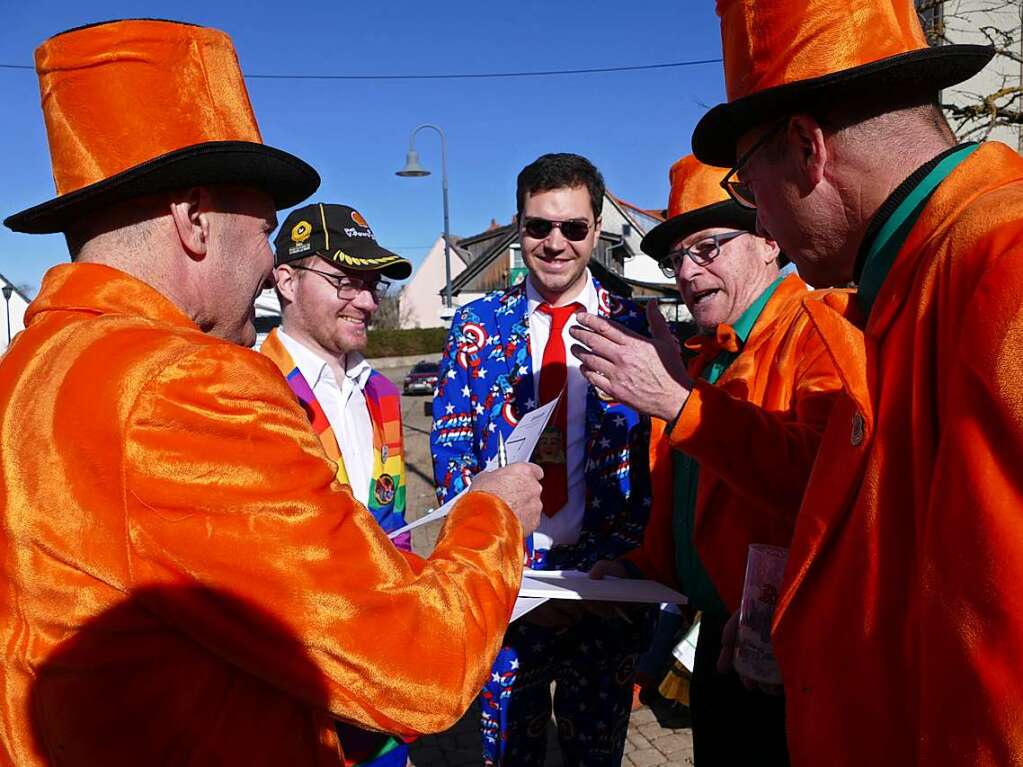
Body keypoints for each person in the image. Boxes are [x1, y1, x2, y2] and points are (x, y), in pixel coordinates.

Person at [0, 19, 543, 766]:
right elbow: (418, 665)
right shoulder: (186, 384)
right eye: (262, 229)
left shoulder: (26, 367)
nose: (266, 258)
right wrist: (493, 517)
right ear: (193, 220)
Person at [689, 1, 1021, 765]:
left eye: (748, 185)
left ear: (806, 149)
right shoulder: (909, 283)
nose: (763, 224)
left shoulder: (1001, 266)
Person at [582, 155, 850, 765]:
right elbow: (686, 503)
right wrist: (639, 571)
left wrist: (679, 405)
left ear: (768, 240)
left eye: (707, 248)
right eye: (675, 259)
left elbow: (825, 486)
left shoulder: (821, 331)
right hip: (712, 642)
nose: (687, 271)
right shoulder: (702, 358)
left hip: (790, 656)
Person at [431, 153, 653, 767]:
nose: (555, 243)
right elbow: (450, 449)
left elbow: (661, 458)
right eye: (538, 227)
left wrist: (633, 557)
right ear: (518, 225)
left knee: (594, 755)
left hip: (605, 585)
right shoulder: (477, 323)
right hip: (508, 582)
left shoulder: (635, 325)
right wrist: (485, 546)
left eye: (574, 228)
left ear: (597, 226)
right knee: (508, 757)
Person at [262, 202, 416, 767]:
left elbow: (393, 524)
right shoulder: (251, 387)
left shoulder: (381, 393)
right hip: (297, 689)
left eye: (371, 284)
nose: (369, 302)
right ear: (286, 281)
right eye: (345, 282)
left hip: (381, 681)